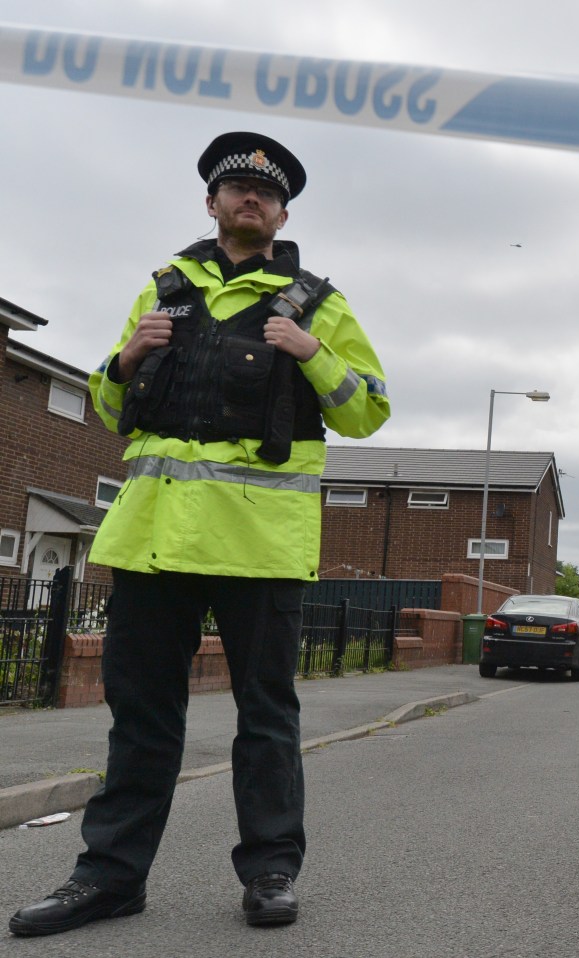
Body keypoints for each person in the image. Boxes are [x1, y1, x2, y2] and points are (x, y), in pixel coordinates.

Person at [9, 132, 390, 938]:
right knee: (141, 719)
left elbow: (368, 408)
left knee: (267, 719)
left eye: (265, 192)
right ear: (211, 203)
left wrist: (316, 355)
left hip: (259, 547)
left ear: (283, 212)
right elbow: (115, 415)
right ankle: (108, 878)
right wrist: (119, 363)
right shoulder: (162, 292)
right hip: (152, 541)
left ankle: (272, 872)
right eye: (234, 187)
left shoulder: (319, 304)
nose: (249, 198)